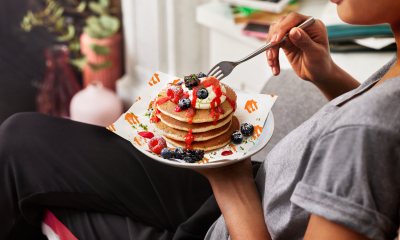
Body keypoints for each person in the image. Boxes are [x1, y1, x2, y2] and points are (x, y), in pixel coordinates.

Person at [0, 0, 399, 239]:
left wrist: (229, 181)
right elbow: (365, 135)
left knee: (33, 192)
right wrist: (327, 74)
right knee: (18, 135)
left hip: (230, 220)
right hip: (251, 186)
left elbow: (362, 137)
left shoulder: (364, 133)